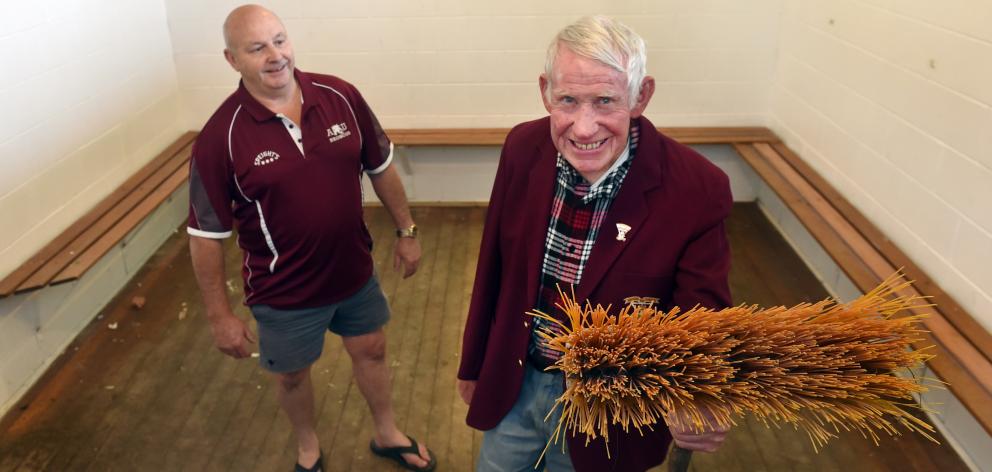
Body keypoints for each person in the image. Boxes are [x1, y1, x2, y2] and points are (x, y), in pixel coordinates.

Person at [457, 16, 733, 472]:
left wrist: (698, 395)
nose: (584, 128)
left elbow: (701, 316)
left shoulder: (697, 189)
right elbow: (494, 269)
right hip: (515, 382)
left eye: (605, 101)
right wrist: (474, 365)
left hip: (610, 413)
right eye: (568, 100)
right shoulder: (523, 147)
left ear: (640, 96)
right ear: (546, 91)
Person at [186, 5, 435, 472]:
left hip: (354, 272)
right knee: (294, 377)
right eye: (256, 48)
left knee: (373, 350)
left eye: (279, 40)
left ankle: (387, 433)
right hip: (283, 293)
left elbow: (380, 169)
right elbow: (205, 235)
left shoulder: (340, 95)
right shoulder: (219, 137)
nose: (274, 56)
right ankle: (308, 448)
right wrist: (219, 315)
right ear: (231, 59)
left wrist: (407, 231)